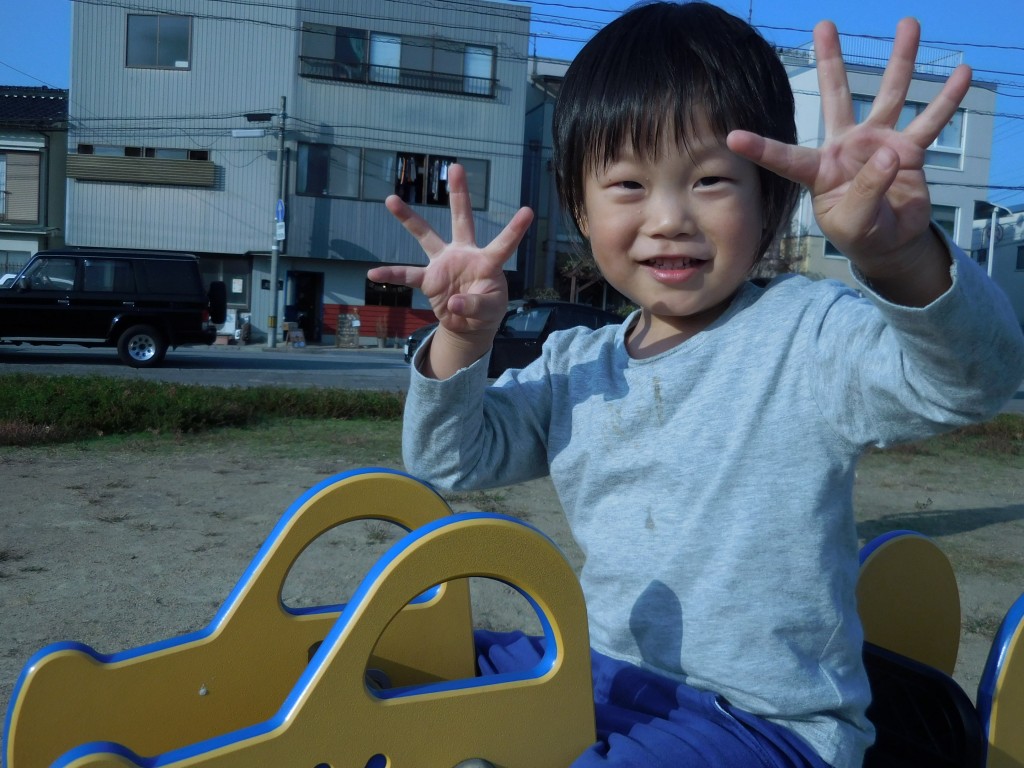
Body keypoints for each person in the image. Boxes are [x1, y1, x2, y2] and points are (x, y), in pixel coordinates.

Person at [368, 3, 1024, 766]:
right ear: (579, 206)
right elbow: (450, 460)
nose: (670, 217)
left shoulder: (806, 335)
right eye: (628, 184)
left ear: (771, 198)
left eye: (710, 179)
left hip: (760, 722)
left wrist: (900, 257)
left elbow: (971, 383)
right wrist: (463, 336)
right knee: (394, 659)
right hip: (601, 673)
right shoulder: (575, 363)